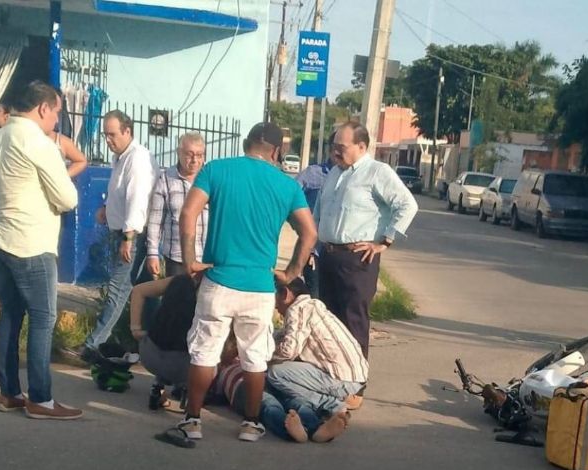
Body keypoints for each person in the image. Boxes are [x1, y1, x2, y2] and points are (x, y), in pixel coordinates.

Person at [175, 122, 317, 442]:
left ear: (245, 144)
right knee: (255, 357)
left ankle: (192, 420)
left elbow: (188, 214)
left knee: (204, 352)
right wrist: (292, 272)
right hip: (260, 287)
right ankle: (251, 424)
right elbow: (309, 233)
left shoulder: (216, 170)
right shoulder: (287, 185)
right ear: (277, 152)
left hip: (218, 280)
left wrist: (189, 261)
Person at [0, 80, 81, 419]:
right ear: (42, 108)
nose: (57, 121)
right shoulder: (37, 142)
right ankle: (41, 399)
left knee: (10, 313)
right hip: (30, 241)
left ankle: (9, 393)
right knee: (43, 317)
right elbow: (68, 198)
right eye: (56, 113)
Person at [314, 121, 418, 358]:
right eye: (334, 146)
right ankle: (331, 381)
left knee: (354, 323)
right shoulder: (333, 173)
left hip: (357, 259)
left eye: (342, 146)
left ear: (361, 146)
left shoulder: (377, 172)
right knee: (329, 323)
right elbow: (319, 212)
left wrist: (386, 240)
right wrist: (312, 247)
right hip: (328, 256)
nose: (335, 151)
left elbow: (407, 205)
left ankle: (356, 386)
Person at [74, 110, 155, 362]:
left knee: (117, 291)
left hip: (133, 234)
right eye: (105, 135)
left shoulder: (137, 159)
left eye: (112, 134)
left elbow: (137, 199)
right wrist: (107, 209)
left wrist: (128, 238)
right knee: (144, 289)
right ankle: (146, 341)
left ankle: (93, 344)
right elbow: (120, 193)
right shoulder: (121, 157)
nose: (108, 140)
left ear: (127, 131)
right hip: (122, 230)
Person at [216, 336, 349, 443]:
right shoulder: (218, 366)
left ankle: (317, 428)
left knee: (295, 401)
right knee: (269, 405)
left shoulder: (253, 354)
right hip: (242, 386)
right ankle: (288, 429)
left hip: (265, 378)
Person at [269, 278, 368, 414]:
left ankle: (330, 405)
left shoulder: (297, 310)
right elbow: (283, 335)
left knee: (275, 373)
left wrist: (264, 358)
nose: (275, 307)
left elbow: (288, 351)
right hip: (354, 377)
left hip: (343, 381)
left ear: (285, 294)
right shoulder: (312, 305)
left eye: (274, 300)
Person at [129, 274, 198, 409]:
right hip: (184, 365)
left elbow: (138, 290)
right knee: (209, 355)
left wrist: (135, 329)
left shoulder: (179, 280)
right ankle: (188, 391)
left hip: (150, 356)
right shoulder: (215, 289)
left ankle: (158, 386)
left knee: (166, 337)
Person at [146, 132, 208, 278]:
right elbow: (155, 221)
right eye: (189, 154)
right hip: (176, 258)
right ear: (179, 153)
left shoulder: (210, 178)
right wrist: (153, 253)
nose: (194, 160)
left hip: (206, 258)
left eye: (200, 155)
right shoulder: (166, 179)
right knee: (177, 300)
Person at [0, 101, 87, 178]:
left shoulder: (61, 141)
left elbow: (81, 160)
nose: (57, 119)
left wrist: (63, 176)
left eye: (57, 112)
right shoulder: (17, 137)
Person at [295, 131, 336, 298]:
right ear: (329, 149)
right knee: (316, 299)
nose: (339, 152)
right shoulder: (312, 173)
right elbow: (289, 196)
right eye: (335, 147)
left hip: (342, 255)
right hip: (314, 251)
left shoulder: (355, 178)